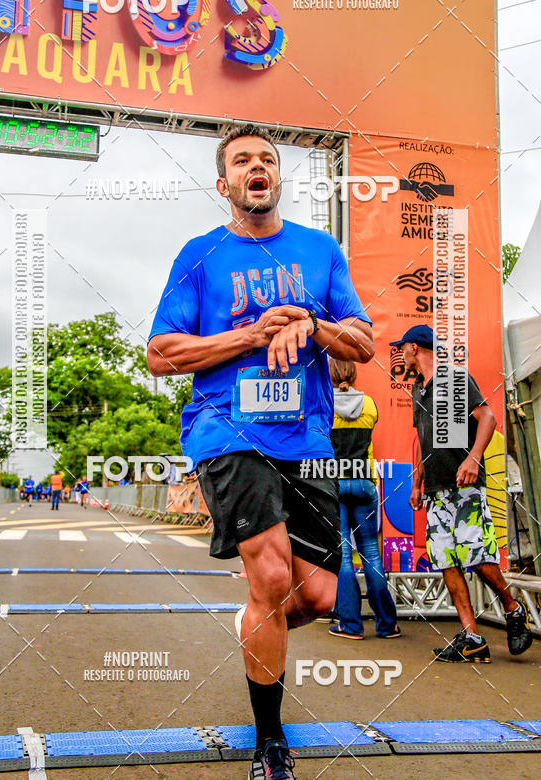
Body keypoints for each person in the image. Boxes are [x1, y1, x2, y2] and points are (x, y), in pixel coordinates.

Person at [147, 123, 374, 779]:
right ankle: (270, 741)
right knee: (272, 578)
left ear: (277, 179)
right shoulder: (200, 255)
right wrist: (251, 334)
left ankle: (257, 620)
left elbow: (360, 344)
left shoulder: (319, 249)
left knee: (321, 596)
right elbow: (161, 353)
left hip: (305, 437)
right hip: (227, 431)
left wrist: (312, 323)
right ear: (225, 184)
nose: (257, 167)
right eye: (243, 159)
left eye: (268, 160)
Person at [392, 324, 533, 662]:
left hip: (465, 487)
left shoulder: (453, 379)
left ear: (414, 348)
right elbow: (420, 440)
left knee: (479, 559)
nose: (401, 354)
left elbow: (487, 417)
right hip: (436, 492)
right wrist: (416, 482)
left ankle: (513, 610)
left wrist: (473, 458)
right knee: (446, 562)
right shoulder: (417, 389)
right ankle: (472, 637)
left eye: (403, 348)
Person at [327, 359, 399, 640]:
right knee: (371, 553)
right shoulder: (370, 405)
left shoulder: (323, 405)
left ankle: (351, 625)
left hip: (334, 483)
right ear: (354, 374)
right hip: (365, 483)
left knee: (344, 555)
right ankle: (387, 624)